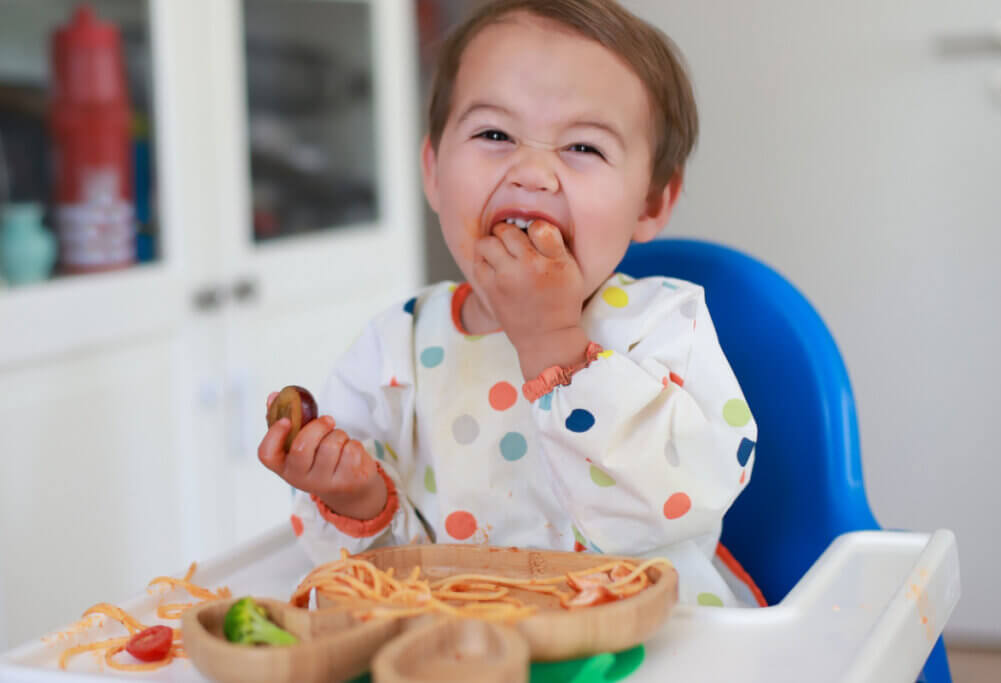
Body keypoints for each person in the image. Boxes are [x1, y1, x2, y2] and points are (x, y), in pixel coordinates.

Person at [258, 0, 761, 607]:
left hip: (656, 640)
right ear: (434, 170)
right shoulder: (397, 347)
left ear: (652, 202)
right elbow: (384, 575)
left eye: (583, 147)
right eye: (494, 134)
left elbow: (682, 500)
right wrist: (356, 499)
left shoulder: (663, 326)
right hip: (467, 646)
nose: (532, 172)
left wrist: (554, 345)